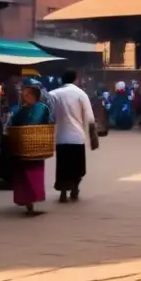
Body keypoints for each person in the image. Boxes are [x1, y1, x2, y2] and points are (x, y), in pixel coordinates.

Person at [46, 70, 97, 203]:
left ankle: (63, 193)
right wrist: (93, 138)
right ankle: (74, 189)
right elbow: (90, 118)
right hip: (77, 138)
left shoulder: (53, 94)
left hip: (61, 138)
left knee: (63, 167)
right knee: (77, 167)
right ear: (75, 79)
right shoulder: (81, 94)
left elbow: (47, 114)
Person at [8, 78, 52, 216]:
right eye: (23, 94)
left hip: (36, 145)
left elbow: (45, 122)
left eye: (27, 94)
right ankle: (27, 201)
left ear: (34, 95)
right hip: (23, 146)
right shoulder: (21, 109)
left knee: (34, 175)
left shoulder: (42, 108)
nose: (24, 96)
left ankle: (32, 200)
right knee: (23, 175)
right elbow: (13, 123)